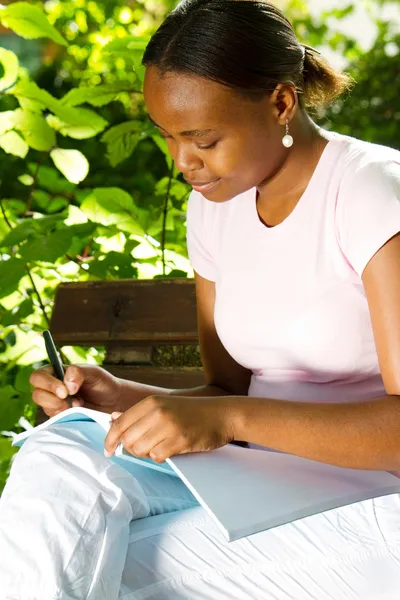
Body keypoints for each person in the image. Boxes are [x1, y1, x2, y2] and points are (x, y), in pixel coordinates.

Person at [1, 0, 400, 598]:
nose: (183, 163)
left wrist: (227, 419)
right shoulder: (217, 206)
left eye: (203, 139)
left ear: (282, 102)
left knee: (124, 562)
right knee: (62, 456)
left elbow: (234, 413)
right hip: (259, 473)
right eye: (168, 137)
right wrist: (119, 396)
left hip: (375, 496)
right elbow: (225, 393)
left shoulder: (370, 190)